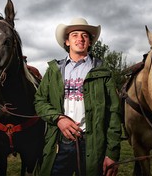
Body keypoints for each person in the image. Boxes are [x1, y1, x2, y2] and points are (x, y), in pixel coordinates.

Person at [35, 18, 121, 176]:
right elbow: (39, 101)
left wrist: (112, 153)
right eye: (74, 35)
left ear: (89, 42)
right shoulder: (53, 71)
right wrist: (58, 118)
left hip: (92, 145)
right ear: (67, 41)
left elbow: (114, 113)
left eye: (84, 35)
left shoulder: (103, 72)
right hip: (60, 143)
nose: (80, 39)